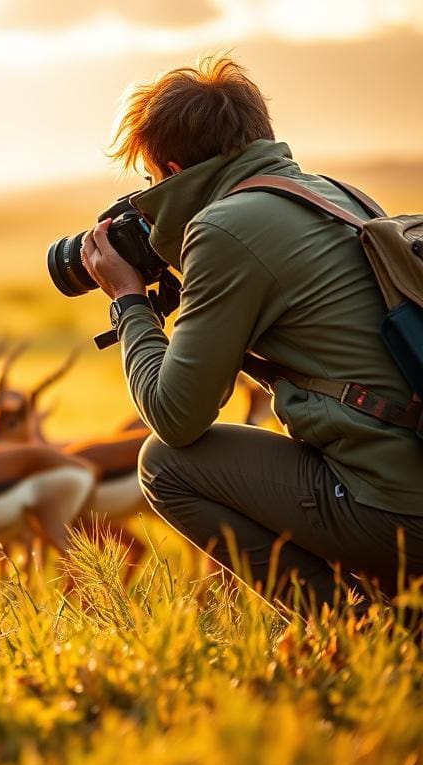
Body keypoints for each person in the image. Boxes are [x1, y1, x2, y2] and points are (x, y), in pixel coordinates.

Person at [79, 55, 423, 613]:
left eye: (149, 181)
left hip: (397, 511)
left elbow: (176, 416)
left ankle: (356, 630)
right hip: (410, 477)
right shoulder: (334, 194)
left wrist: (128, 301)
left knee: (164, 464)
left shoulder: (224, 229)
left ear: (170, 170)